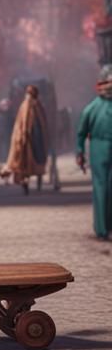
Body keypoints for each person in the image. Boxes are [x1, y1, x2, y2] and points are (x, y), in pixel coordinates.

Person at [76, 64, 112, 240]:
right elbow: (81, 133)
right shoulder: (93, 108)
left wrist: (80, 151)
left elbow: (81, 134)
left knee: (102, 187)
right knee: (101, 187)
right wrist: (80, 151)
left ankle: (104, 228)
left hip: (99, 148)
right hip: (98, 149)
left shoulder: (92, 107)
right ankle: (102, 228)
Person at [0, 85, 49, 194]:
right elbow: (23, 123)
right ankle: (24, 181)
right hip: (26, 139)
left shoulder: (37, 105)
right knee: (24, 162)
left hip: (36, 138)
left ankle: (31, 181)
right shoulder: (26, 105)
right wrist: (24, 136)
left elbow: (42, 122)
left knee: (36, 159)